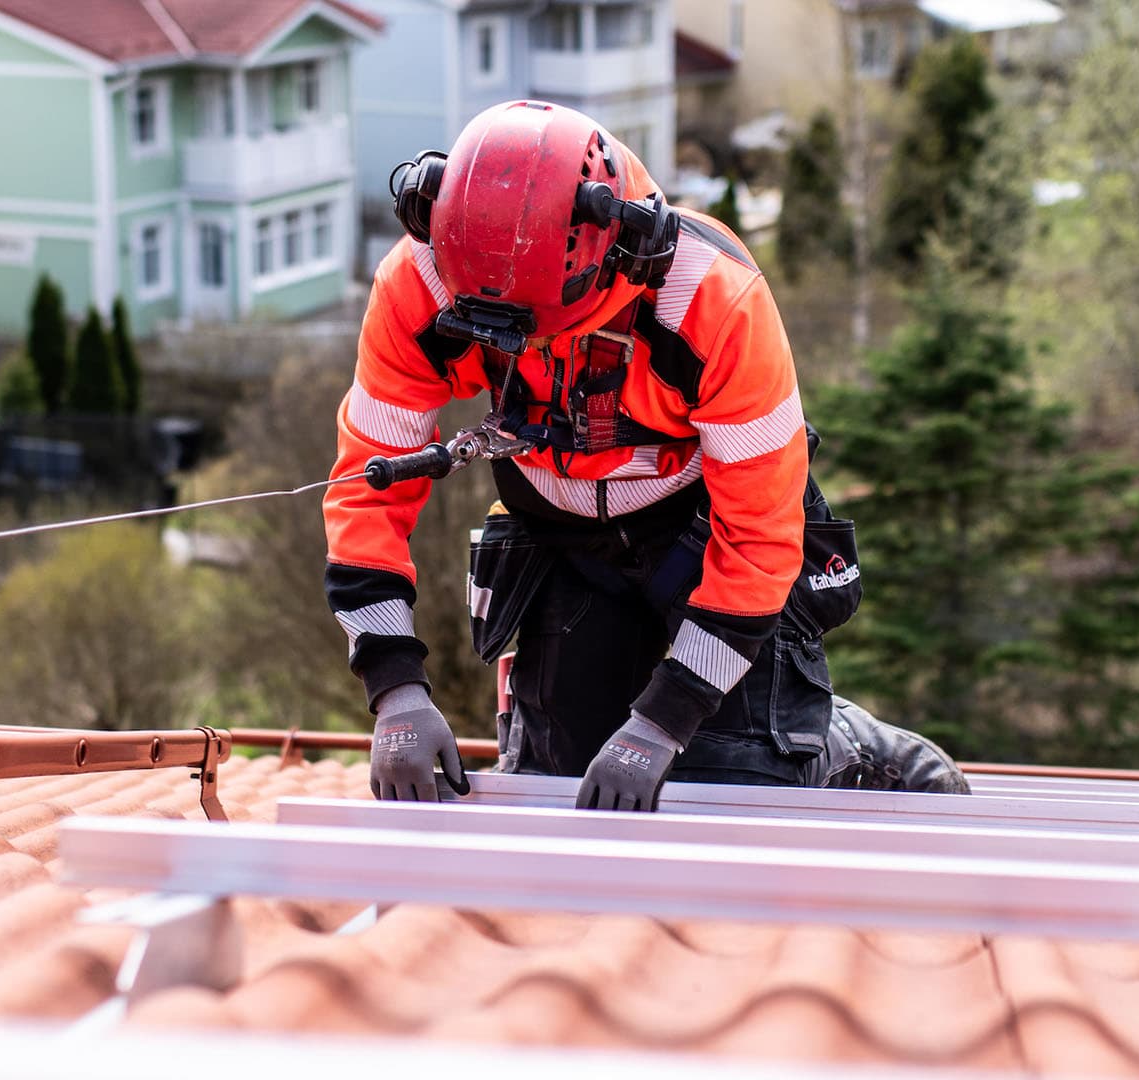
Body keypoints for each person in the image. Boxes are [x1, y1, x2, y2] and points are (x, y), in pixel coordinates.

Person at [324, 100, 964, 811]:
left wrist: (662, 724)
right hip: (561, 535)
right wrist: (396, 690)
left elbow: (758, 538)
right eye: (500, 333)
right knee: (558, 784)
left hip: (708, 531)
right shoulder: (423, 280)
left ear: (615, 252)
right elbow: (366, 490)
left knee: (734, 785)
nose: (527, 350)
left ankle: (845, 748)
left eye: (540, 330)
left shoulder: (712, 299)